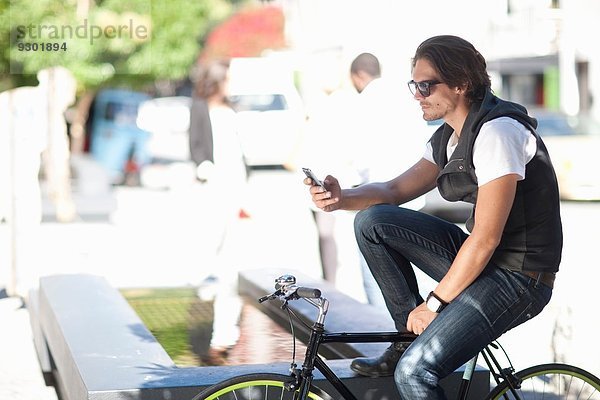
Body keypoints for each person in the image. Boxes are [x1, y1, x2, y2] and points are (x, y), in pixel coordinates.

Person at [305, 35, 562, 399]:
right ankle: (404, 340)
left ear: (461, 84)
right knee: (373, 221)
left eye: (426, 85)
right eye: (414, 84)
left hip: (520, 277)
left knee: (416, 372)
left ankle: (411, 354)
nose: (417, 95)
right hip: (488, 265)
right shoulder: (449, 137)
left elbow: (486, 237)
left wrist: (434, 304)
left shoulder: (498, 132)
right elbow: (393, 192)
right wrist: (341, 198)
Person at [191, 60, 248, 364]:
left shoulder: (231, 109)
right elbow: (196, 144)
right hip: (213, 184)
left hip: (235, 183)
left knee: (232, 254)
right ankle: (207, 284)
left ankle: (227, 327)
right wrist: (203, 167)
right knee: (210, 241)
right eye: (225, 80)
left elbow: (240, 152)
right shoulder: (200, 107)